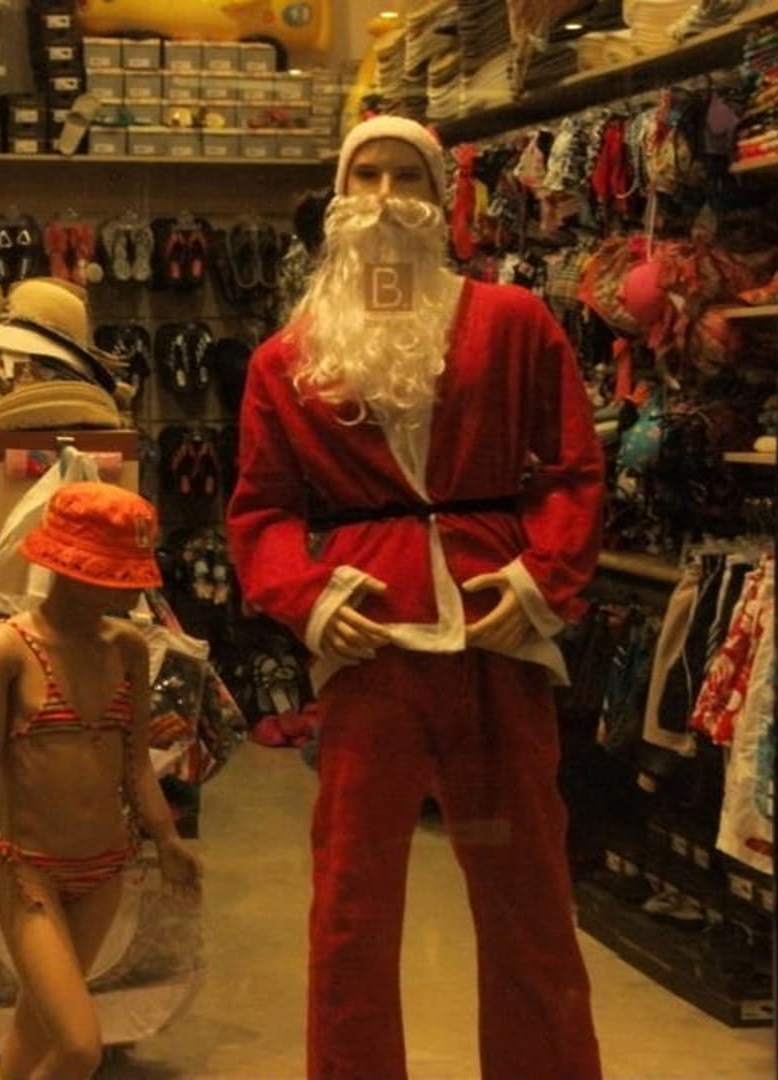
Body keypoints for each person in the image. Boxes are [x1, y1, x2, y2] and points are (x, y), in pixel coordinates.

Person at [226, 115, 605, 1079]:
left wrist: (541, 577)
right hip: (371, 646)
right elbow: (262, 509)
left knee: (526, 885)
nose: (387, 198)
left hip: (496, 632)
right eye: (368, 176)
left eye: (408, 177)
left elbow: (571, 468)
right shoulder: (288, 357)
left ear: (441, 201)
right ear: (338, 198)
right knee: (352, 902)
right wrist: (308, 598)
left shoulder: (513, 322)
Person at [0, 481, 202, 1080]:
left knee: (34, 1027)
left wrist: (167, 838)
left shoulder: (127, 648)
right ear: (71, 569)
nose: (134, 591)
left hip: (105, 868)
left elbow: (135, 761)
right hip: (30, 872)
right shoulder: (6, 649)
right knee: (79, 1047)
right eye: (119, 577)